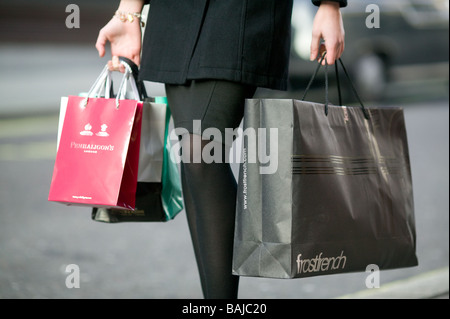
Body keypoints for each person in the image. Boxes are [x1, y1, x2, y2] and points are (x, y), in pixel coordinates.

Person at [96, 0, 347, 299]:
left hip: (240, 16)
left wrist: (330, 5)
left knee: (199, 152)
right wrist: (128, 12)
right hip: (176, 20)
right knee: (193, 160)